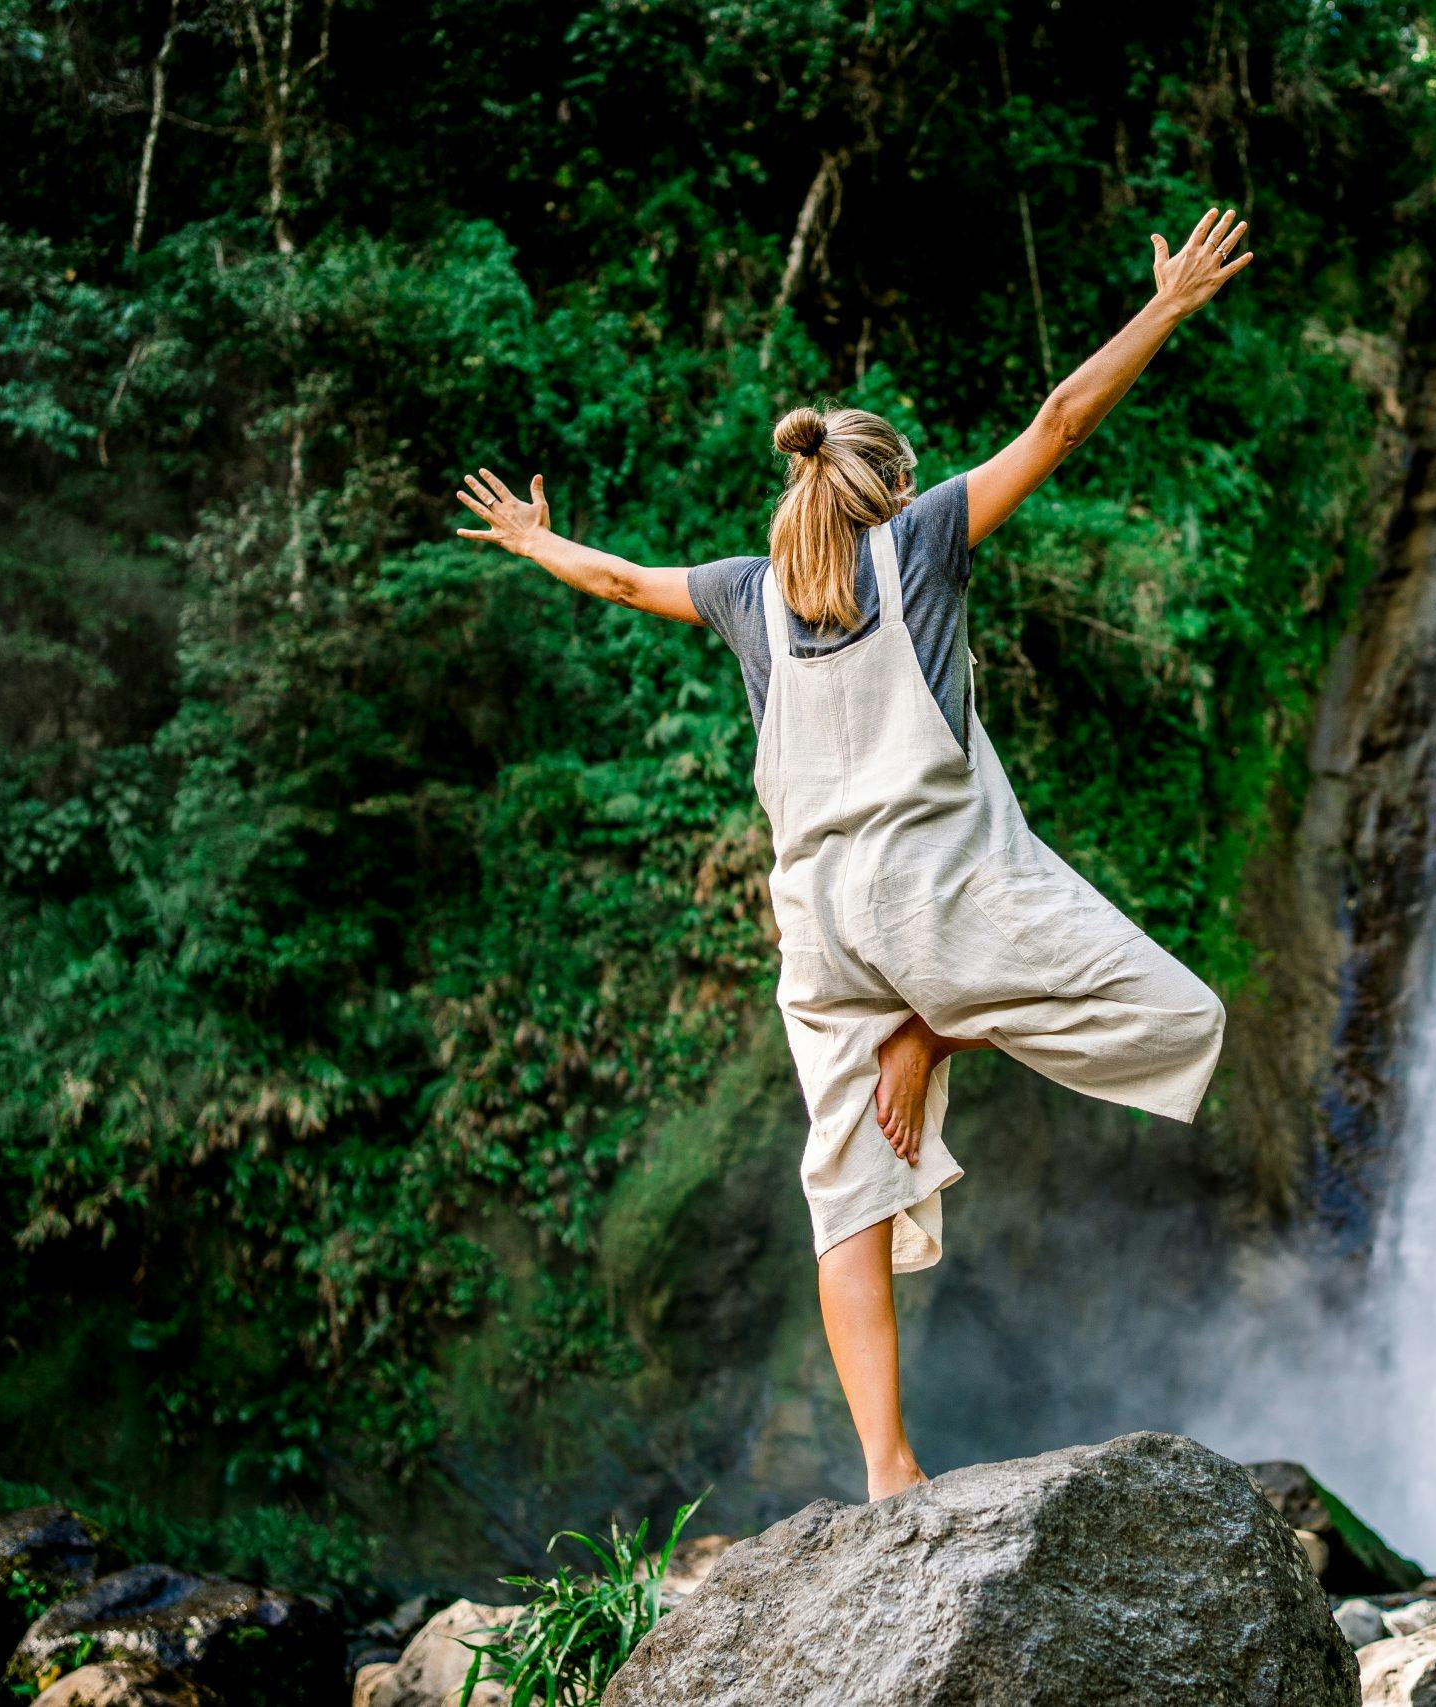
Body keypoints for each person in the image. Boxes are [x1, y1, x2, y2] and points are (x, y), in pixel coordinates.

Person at [454, 206, 1253, 1500]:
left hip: (818, 926)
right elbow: (1057, 422)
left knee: (848, 1196)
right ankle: (933, 1026)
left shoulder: (740, 593)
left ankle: (887, 1466)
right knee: (1174, 1007)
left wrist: (538, 539)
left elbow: (617, 584)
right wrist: (1163, 308)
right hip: (938, 892)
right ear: (889, 483)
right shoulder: (923, 543)